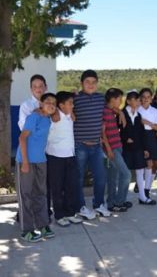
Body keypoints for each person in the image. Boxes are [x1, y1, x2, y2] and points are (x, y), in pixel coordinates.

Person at [16, 93, 57, 242]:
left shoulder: (47, 119)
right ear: (40, 103)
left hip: (41, 161)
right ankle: (26, 230)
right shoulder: (34, 117)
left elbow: (55, 114)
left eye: (54, 102)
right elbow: (22, 137)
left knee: (41, 193)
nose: (51, 104)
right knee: (26, 195)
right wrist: (25, 162)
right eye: (47, 102)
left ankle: (43, 225)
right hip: (26, 161)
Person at [73, 70, 111, 219]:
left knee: (101, 177)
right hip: (80, 145)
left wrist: (119, 113)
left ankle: (99, 204)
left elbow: (111, 107)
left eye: (93, 82)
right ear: (82, 83)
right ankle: (80, 206)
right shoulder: (75, 99)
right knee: (79, 178)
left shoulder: (101, 98)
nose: (91, 85)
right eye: (87, 82)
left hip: (96, 146)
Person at [17, 74, 52, 221]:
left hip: (44, 153)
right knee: (27, 189)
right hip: (29, 154)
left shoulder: (51, 104)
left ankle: (42, 215)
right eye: (35, 87)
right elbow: (24, 129)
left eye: (41, 86)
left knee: (42, 188)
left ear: (46, 87)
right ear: (31, 89)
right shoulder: (27, 106)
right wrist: (39, 113)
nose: (38, 89)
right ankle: (25, 217)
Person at [46, 91, 82, 227]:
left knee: (70, 186)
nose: (72, 106)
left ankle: (70, 213)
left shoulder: (68, 116)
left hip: (70, 156)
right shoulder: (54, 116)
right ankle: (59, 215)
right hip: (55, 157)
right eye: (70, 103)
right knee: (57, 188)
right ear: (60, 105)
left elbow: (72, 116)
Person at [121, 90, 156, 205]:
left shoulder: (138, 115)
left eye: (138, 100)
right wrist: (126, 138)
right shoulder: (122, 114)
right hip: (126, 148)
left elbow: (142, 134)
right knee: (125, 174)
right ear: (128, 101)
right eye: (135, 100)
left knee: (140, 171)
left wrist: (145, 148)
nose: (138, 102)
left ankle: (142, 197)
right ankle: (122, 199)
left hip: (138, 147)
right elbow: (119, 130)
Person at [102, 88, 132, 212]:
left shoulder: (110, 110)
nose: (121, 101)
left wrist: (120, 112)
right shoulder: (104, 112)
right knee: (126, 174)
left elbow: (114, 109)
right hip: (112, 149)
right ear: (113, 99)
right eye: (119, 99)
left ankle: (111, 203)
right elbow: (102, 133)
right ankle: (119, 202)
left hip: (117, 146)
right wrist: (108, 150)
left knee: (113, 177)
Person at [138, 88, 157, 200]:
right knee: (141, 165)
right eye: (144, 97)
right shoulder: (137, 110)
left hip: (151, 137)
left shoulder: (155, 111)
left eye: (148, 97)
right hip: (140, 137)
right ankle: (141, 192)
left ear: (151, 98)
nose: (146, 99)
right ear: (140, 99)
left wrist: (147, 122)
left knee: (150, 165)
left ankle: (147, 190)